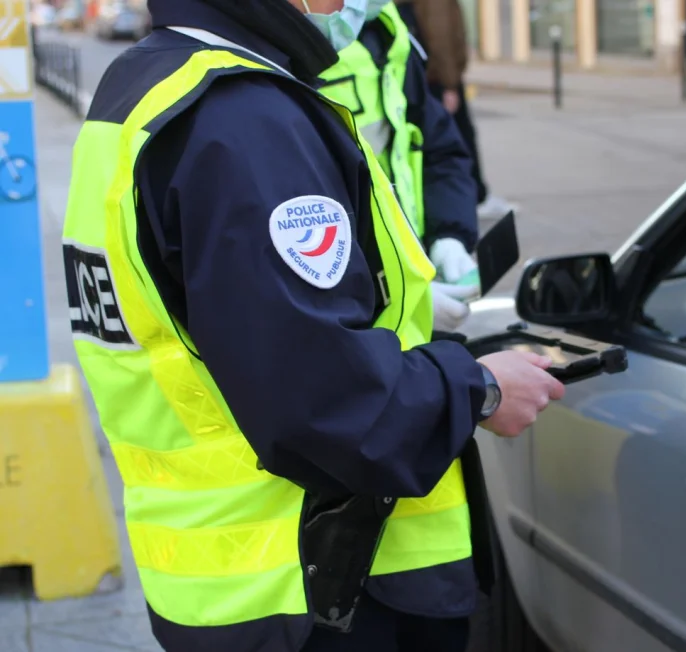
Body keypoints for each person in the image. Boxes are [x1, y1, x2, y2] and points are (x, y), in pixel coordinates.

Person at [60, 1, 565, 651]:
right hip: (326, 585)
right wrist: (480, 388)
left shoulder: (145, 86)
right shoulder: (242, 118)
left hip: (228, 583)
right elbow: (326, 401)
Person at [318, 0, 479, 332]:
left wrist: (449, 233)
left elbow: (437, 147)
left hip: (411, 277)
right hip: (355, 317)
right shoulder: (285, 52)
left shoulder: (387, 30)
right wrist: (392, 290)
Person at [394, 0, 518, 222]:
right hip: (439, 79)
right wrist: (449, 84)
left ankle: (472, 196)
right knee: (455, 140)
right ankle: (475, 197)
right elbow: (440, 34)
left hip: (433, 77)